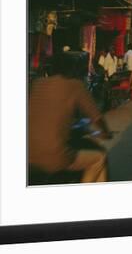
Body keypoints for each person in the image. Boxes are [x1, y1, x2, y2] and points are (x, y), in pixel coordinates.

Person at [28, 52, 112, 183]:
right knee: (99, 158)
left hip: (27, 154)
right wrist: (105, 132)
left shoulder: (37, 83)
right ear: (72, 69)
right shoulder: (75, 85)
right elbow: (97, 117)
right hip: (54, 157)